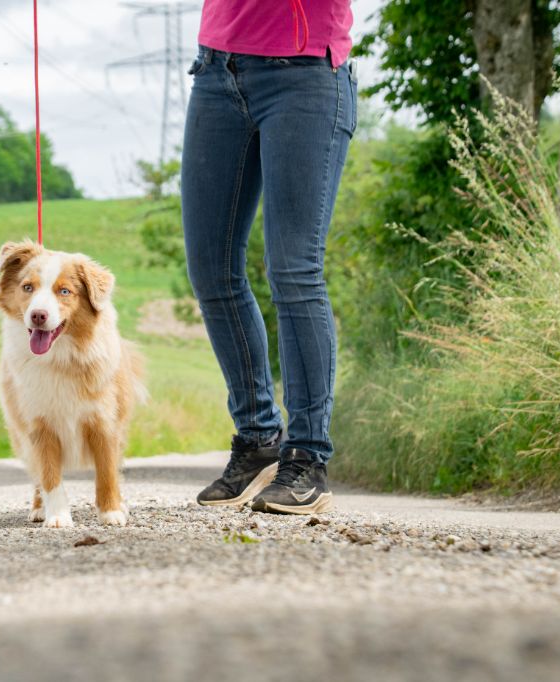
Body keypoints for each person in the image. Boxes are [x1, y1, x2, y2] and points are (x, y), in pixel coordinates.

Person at [183, 0, 356, 514]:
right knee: (211, 270)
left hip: (304, 74)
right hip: (216, 72)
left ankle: (306, 458)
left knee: (293, 269)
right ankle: (258, 436)